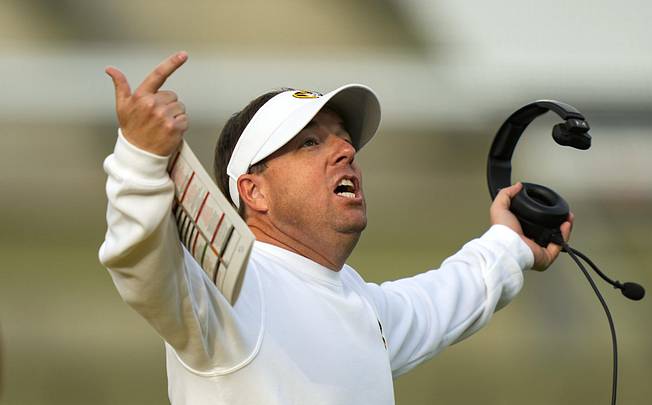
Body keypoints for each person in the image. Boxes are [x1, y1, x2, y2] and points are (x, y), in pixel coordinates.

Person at [99, 51, 572, 405]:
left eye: (345, 141)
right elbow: (140, 261)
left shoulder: (357, 301)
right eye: (309, 143)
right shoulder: (228, 290)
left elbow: (440, 300)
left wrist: (512, 244)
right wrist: (140, 157)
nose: (345, 152)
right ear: (253, 192)